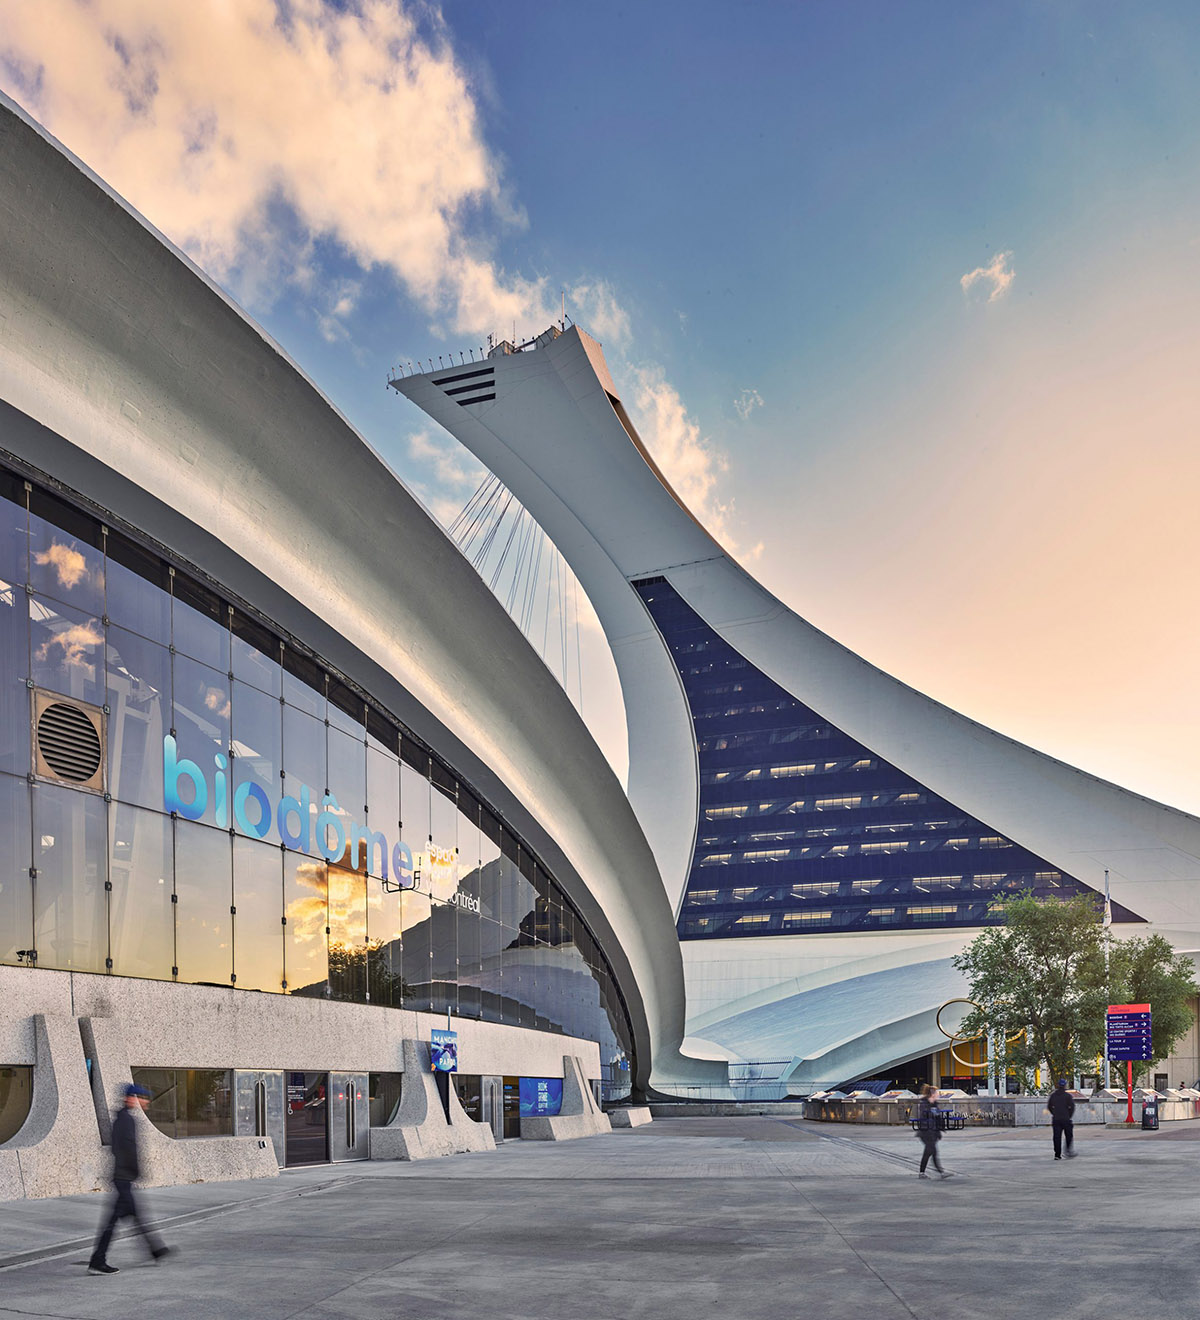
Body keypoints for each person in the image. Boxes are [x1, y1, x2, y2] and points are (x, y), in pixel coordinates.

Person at [88, 1083, 172, 1275]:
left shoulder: (122, 1118)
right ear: (132, 1098)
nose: (145, 1101)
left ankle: (155, 1250)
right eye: (142, 1098)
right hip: (124, 1177)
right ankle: (97, 1260)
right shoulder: (126, 1120)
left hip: (122, 1176)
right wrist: (136, 1171)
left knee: (134, 1216)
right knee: (114, 1222)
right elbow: (126, 1149)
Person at [915, 1083, 953, 1179]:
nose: (938, 1094)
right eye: (936, 1093)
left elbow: (938, 1118)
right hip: (926, 1132)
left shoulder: (934, 1104)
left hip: (933, 1132)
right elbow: (925, 1118)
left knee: (929, 1152)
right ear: (932, 1094)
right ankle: (939, 1172)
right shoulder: (924, 1104)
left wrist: (939, 1130)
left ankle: (923, 1173)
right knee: (932, 1151)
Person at [1047, 1078, 1076, 1159]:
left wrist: (1054, 1113)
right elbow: (1072, 1107)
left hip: (1056, 1119)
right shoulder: (1067, 1096)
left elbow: (1049, 1106)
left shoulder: (1053, 1096)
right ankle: (1067, 1151)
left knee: (1056, 1137)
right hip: (1066, 1119)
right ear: (1065, 1085)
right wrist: (1069, 1115)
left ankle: (1057, 1154)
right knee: (1069, 1135)